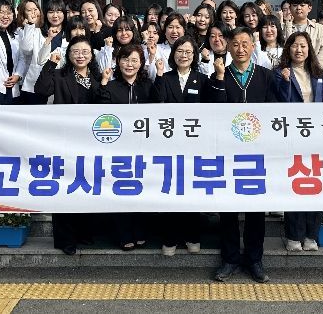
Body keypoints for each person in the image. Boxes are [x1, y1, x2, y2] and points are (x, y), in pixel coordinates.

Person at [206, 27, 276, 284]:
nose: (240, 48)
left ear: (253, 46)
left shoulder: (265, 76)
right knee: (228, 209)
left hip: (257, 152)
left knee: (256, 209)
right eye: (235, 43)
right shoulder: (218, 75)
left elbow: (275, 112)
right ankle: (230, 259)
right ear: (228, 46)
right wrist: (220, 78)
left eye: (245, 43)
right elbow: (213, 110)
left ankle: (255, 259)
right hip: (227, 151)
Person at [35, 36, 101, 256]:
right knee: (66, 187)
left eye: (85, 52)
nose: (80, 55)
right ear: (69, 54)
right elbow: (41, 90)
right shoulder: (60, 75)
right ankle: (66, 239)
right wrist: (50, 64)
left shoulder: (98, 78)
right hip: (65, 140)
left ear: (91, 55)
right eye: (76, 51)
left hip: (91, 142)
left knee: (86, 186)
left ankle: (84, 233)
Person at [98, 44, 161, 250]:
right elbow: (101, 112)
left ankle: (140, 230)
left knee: (141, 189)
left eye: (134, 60)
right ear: (118, 62)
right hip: (118, 150)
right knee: (121, 190)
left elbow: (159, 107)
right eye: (125, 60)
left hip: (144, 148)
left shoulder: (147, 86)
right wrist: (104, 83)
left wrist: (160, 75)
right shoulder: (112, 86)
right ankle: (124, 234)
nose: (129, 64)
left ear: (141, 63)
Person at [272, 33, 323, 253]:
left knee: (316, 184)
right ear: (288, 48)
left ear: (309, 49)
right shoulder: (280, 73)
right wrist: (285, 82)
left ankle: (311, 235)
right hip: (292, 137)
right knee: (295, 184)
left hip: (316, 137)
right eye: (295, 46)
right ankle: (294, 235)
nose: (299, 50)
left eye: (303, 46)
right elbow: (281, 103)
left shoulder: (318, 73)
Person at [153, 36, 209, 256]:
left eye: (188, 52)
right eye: (179, 51)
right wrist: (159, 75)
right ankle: (170, 238)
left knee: (192, 193)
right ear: (173, 54)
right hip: (169, 146)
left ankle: (192, 236)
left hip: (194, 146)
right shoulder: (165, 77)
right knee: (171, 193)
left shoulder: (202, 79)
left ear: (194, 56)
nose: (183, 55)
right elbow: (157, 103)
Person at [19, 0, 66, 104]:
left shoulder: (68, 34)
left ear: (64, 13)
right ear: (45, 14)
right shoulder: (37, 31)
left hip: (59, 84)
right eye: (51, 12)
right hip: (36, 82)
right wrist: (30, 25)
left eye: (59, 11)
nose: (55, 15)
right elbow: (26, 49)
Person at [282, 0, 323, 70]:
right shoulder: (283, 28)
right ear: (290, 8)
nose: (298, 8)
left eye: (302, 5)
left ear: (309, 8)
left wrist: (317, 72)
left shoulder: (319, 28)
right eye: (295, 5)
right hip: (289, 72)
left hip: (312, 71)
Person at [145, 13, 186, 79]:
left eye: (178, 27)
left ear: (184, 30)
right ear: (165, 31)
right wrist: (151, 56)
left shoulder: (190, 49)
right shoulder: (155, 49)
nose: (174, 31)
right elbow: (148, 75)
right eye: (170, 27)